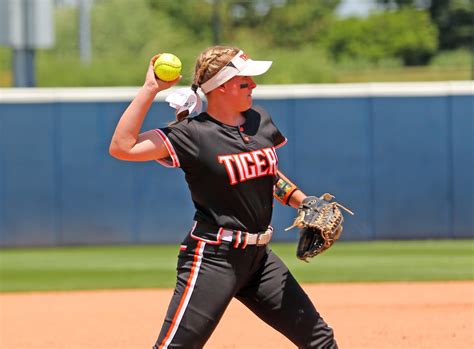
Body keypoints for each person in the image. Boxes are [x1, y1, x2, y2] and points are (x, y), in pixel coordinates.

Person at [109, 46, 337, 349]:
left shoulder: (259, 120)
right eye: (245, 82)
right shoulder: (192, 134)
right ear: (222, 87)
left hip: (259, 260)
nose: (254, 86)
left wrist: (302, 200)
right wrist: (151, 88)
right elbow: (122, 147)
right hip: (213, 258)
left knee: (319, 339)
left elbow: (265, 172)